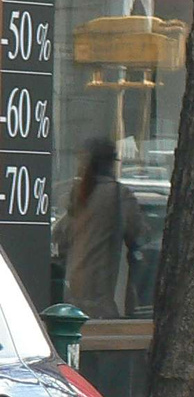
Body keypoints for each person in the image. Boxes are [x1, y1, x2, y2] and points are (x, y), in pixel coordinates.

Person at [53, 137, 144, 319]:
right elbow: (139, 235)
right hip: (102, 291)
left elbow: (59, 237)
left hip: (74, 288)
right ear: (111, 164)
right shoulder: (118, 195)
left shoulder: (79, 194)